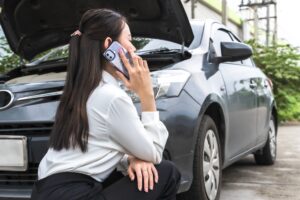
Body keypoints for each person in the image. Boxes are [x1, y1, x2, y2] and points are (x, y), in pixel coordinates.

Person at [30, 8, 181, 200]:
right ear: (109, 45)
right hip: (75, 194)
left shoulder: (80, 91)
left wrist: (133, 158)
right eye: (129, 39)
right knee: (165, 173)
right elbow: (154, 153)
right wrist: (147, 96)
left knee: (139, 171)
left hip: (46, 192)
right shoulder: (111, 97)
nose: (134, 48)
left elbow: (99, 150)